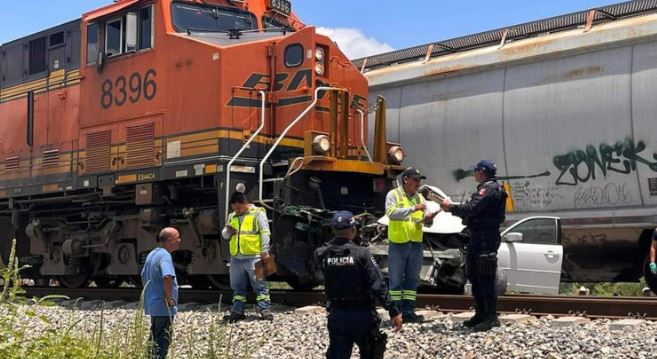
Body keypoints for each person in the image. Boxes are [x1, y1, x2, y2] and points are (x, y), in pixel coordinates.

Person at [316, 211, 403, 359]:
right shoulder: (362, 254)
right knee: (372, 353)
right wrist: (393, 310)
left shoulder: (322, 253)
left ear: (333, 230)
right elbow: (378, 285)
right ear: (353, 230)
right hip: (363, 314)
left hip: (337, 314)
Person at [440, 160, 507, 332]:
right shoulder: (488, 188)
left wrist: (451, 208)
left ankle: (491, 317)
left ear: (482, 172)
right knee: (474, 275)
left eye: (476, 171)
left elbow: (472, 208)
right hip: (478, 236)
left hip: (486, 237)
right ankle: (480, 314)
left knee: (485, 276)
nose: (474, 174)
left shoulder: (489, 189)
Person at [385, 167, 437, 322]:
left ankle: (408, 311)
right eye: (415, 179)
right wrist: (413, 208)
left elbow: (424, 222)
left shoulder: (420, 198)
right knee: (395, 280)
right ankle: (395, 312)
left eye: (419, 180)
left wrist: (428, 220)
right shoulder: (393, 195)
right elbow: (391, 213)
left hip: (415, 243)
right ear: (406, 179)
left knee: (412, 279)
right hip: (398, 243)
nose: (418, 183)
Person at [222, 191, 273, 322]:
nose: (237, 211)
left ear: (245, 203)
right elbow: (225, 235)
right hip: (236, 258)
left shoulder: (258, 214)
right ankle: (238, 311)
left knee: (260, 285)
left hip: (254, 256)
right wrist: (228, 232)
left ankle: (265, 310)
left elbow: (265, 233)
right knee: (237, 287)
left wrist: (265, 252)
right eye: (234, 208)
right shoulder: (232, 216)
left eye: (239, 208)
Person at [141, 227, 182, 359]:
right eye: (177, 238)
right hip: (163, 306)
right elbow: (167, 277)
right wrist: (169, 299)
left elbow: (143, 275)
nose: (180, 240)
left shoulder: (152, 254)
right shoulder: (165, 256)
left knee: (154, 339)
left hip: (153, 304)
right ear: (170, 240)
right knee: (162, 340)